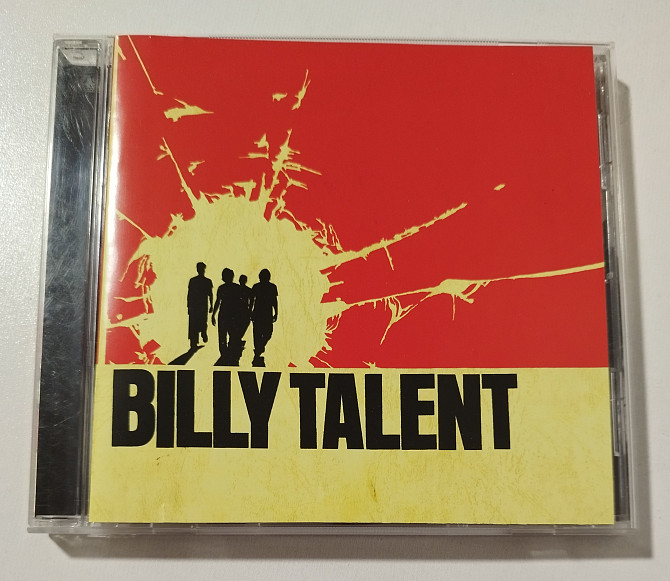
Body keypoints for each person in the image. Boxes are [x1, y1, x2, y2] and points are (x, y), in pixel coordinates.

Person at [211, 268, 243, 361]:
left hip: (224, 314)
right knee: (233, 334)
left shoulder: (221, 288)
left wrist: (213, 314)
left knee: (222, 336)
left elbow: (218, 302)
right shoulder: (237, 288)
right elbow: (241, 303)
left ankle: (224, 354)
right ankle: (231, 353)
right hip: (234, 314)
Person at [250, 268, 278, 367]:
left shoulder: (262, 286)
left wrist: (276, 313)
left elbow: (274, 301)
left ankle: (259, 348)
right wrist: (276, 313)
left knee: (262, 333)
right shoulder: (269, 287)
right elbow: (274, 301)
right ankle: (258, 350)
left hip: (261, 313)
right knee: (264, 332)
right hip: (264, 313)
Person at [187, 262, 213, 350]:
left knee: (195, 323)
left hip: (197, 306)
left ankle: (196, 339)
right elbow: (210, 294)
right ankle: (201, 334)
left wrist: (211, 305)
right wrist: (211, 305)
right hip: (200, 306)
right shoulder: (207, 281)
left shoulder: (193, 281)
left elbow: (189, 295)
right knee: (200, 321)